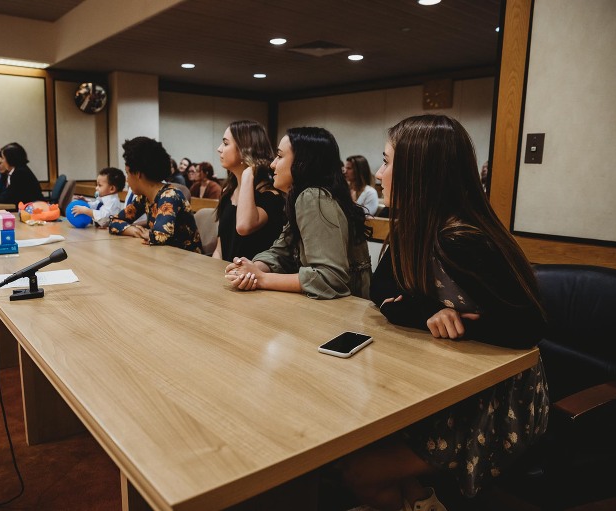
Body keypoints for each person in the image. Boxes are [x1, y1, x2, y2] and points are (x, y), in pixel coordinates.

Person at [336, 115, 549, 511]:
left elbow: (529, 325)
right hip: (451, 385)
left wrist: (464, 326)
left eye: (386, 162)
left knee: (358, 471)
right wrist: (431, 311)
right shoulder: (414, 226)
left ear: (418, 172)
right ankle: (419, 498)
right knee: (357, 440)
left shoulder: (462, 238)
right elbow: (381, 291)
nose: (380, 173)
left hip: (498, 403)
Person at [224, 127, 371, 299]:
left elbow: (330, 278)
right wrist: (251, 270)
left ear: (302, 162)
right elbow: (281, 251)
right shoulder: (302, 196)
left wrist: (263, 278)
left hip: (347, 311)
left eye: (279, 156)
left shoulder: (313, 197)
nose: (272, 164)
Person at [109, 137, 202, 253]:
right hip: (164, 257)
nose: (127, 180)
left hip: (188, 261)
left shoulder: (170, 195)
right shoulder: (144, 198)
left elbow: (160, 236)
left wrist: (148, 234)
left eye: (127, 173)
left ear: (138, 174)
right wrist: (133, 230)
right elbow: (114, 221)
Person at [213, 119, 285, 262]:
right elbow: (219, 249)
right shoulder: (229, 190)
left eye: (226, 143)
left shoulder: (271, 195)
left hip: (252, 279)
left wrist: (247, 173)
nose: (219, 148)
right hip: (226, 274)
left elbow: (244, 226)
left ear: (244, 150)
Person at [0, 142, 44, 207]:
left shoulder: (20, 172)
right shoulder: (17, 170)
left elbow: (9, 197)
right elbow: (6, 193)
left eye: (3, 158)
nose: (3, 162)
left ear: (10, 159)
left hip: (35, 209)